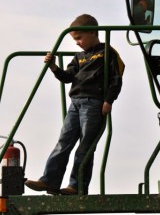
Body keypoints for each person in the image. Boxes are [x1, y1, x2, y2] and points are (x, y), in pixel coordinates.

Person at [25, 14, 125, 195]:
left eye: (79, 38)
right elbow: (68, 77)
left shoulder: (107, 53)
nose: (77, 42)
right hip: (75, 103)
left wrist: (108, 101)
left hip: (94, 103)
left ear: (93, 33)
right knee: (64, 142)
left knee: (85, 147)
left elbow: (116, 80)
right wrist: (54, 67)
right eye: (74, 39)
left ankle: (76, 186)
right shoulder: (79, 57)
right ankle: (49, 181)